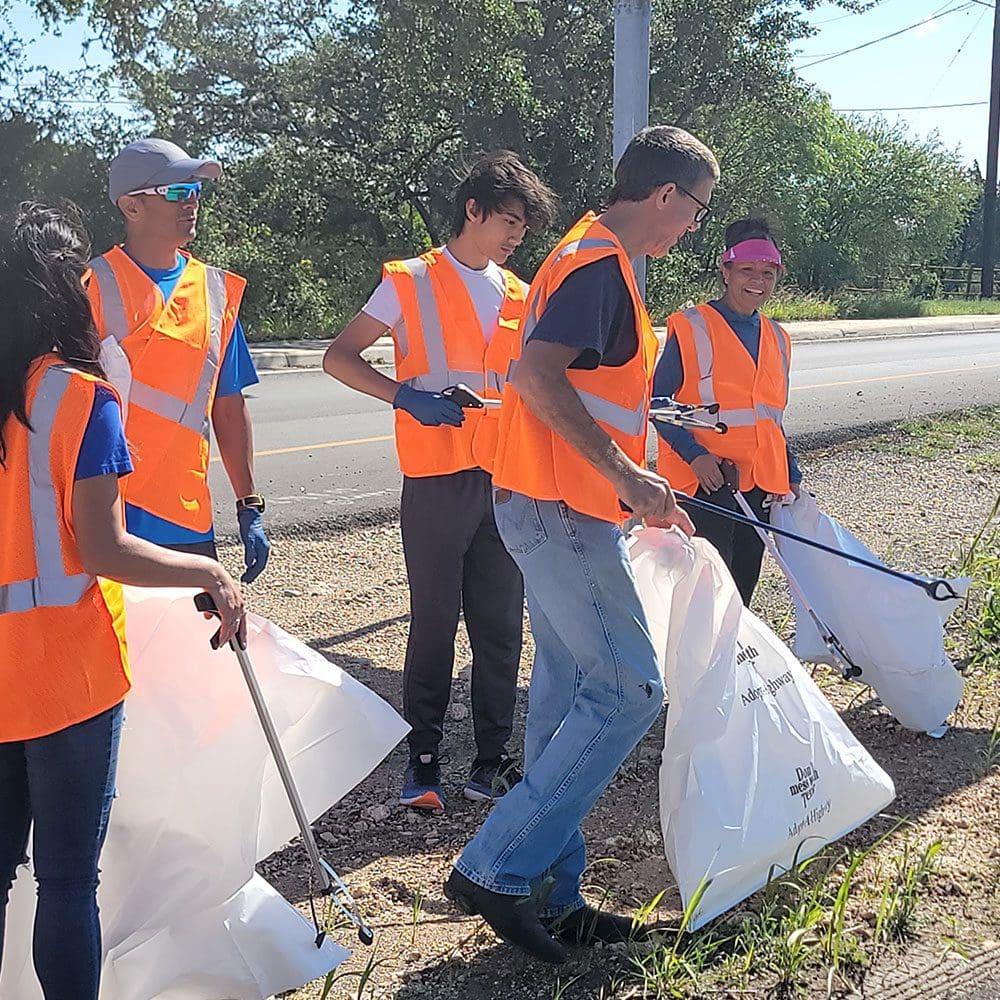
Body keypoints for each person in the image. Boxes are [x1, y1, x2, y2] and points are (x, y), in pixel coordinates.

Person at [444, 126, 718, 964]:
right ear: (664, 196)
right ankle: (493, 867)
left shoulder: (586, 256)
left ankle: (554, 896)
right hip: (559, 506)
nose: (692, 230)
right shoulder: (598, 262)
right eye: (696, 212)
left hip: (553, 502)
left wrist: (636, 486)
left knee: (566, 698)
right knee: (633, 689)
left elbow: (579, 389)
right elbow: (537, 376)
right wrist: (628, 474)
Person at [0, 202, 244, 1000]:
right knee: (67, 881)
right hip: (69, 673)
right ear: (68, 290)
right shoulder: (80, 397)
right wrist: (207, 573)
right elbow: (103, 548)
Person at [323, 151, 557, 811]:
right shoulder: (410, 281)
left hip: (503, 478)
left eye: (524, 228)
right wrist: (404, 396)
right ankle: (421, 761)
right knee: (433, 621)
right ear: (472, 211)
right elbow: (338, 357)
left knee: (500, 625)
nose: (515, 236)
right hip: (435, 478)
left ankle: (492, 762)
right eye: (507, 221)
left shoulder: (517, 292)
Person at [86, 137, 270, 575]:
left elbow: (228, 405)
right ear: (131, 207)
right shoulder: (88, 287)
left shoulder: (214, 291)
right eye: (175, 192)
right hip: (105, 517)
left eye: (194, 191)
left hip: (185, 515)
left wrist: (249, 502)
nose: (190, 203)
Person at [653, 216, 802, 606]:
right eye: (748, 270)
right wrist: (696, 456)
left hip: (757, 488)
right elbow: (655, 404)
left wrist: (793, 474)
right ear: (726, 269)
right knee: (705, 595)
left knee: (741, 594)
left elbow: (771, 419)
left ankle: (732, 663)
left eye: (768, 272)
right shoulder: (692, 327)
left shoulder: (778, 338)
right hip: (704, 485)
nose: (758, 280)